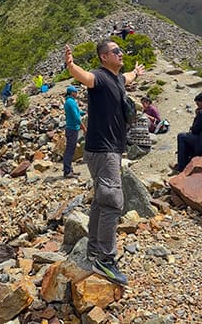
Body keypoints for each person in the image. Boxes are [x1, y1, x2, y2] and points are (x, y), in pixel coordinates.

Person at [61, 40, 143, 286]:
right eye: (116, 51)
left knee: (101, 198)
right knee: (112, 200)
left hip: (111, 149)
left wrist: (136, 73)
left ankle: (95, 249)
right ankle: (105, 260)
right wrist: (71, 65)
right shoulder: (99, 76)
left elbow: (128, 78)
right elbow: (83, 77)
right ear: (104, 56)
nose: (121, 54)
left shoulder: (118, 78)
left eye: (121, 50)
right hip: (103, 150)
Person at [61, 87, 83, 179]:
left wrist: (83, 112)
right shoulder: (71, 102)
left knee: (71, 149)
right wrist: (84, 127)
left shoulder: (69, 101)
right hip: (72, 129)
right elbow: (76, 117)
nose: (77, 93)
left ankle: (70, 169)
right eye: (75, 92)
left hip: (71, 128)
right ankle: (67, 171)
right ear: (72, 93)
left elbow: (77, 112)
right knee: (70, 150)